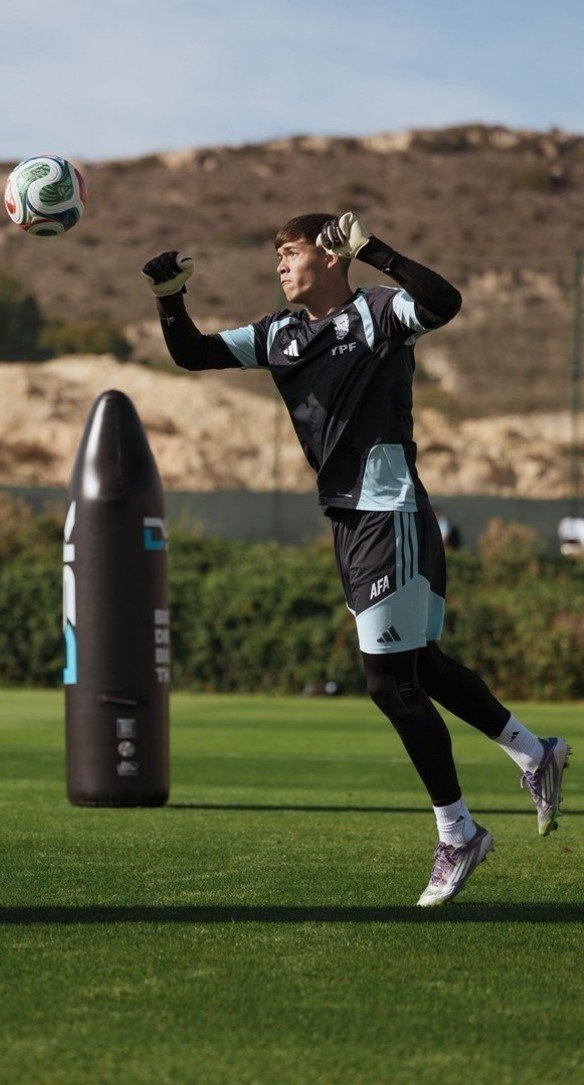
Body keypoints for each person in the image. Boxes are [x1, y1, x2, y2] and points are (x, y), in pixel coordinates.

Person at [141, 212, 572, 907]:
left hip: (390, 508)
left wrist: (377, 251)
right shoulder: (279, 334)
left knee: (386, 682)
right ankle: (533, 751)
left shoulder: (377, 313)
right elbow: (193, 354)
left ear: (332, 255)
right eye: (276, 255)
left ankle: (458, 831)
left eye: (292, 252)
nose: (281, 266)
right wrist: (169, 297)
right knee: (419, 666)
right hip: (354, 518)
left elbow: (444, 302)